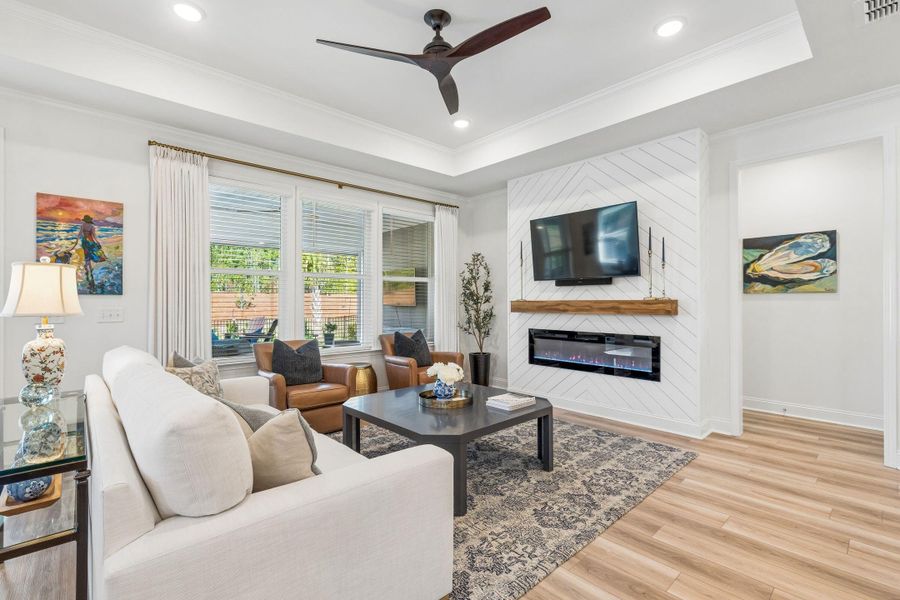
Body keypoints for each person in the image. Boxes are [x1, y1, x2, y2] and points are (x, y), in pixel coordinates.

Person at [66, 215, 107, 292]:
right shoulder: (92, 226)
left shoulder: (83, 225)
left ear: (85, 220)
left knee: (87, 255)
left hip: (84, 242)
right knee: (95, 252)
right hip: (90, 241)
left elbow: (79, 235)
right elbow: (94, 236)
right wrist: (98, 243)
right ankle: (90, 269)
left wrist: (75, 243)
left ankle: (88, 267)